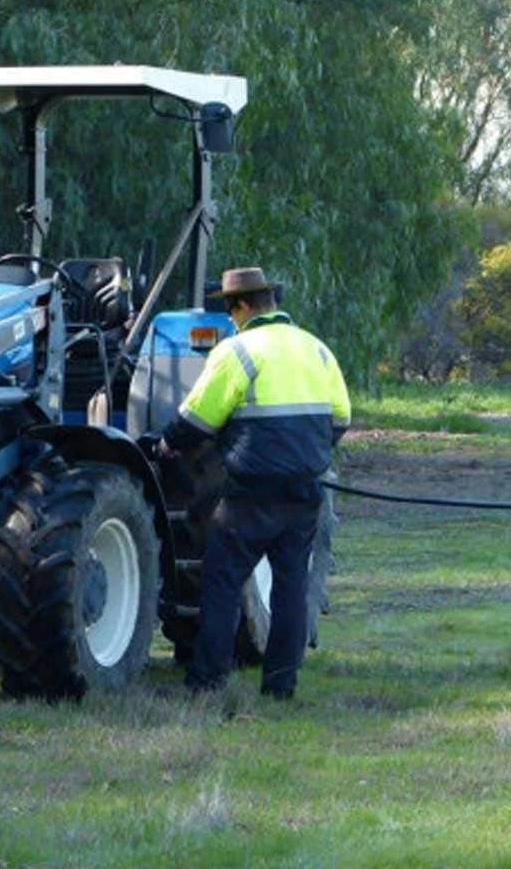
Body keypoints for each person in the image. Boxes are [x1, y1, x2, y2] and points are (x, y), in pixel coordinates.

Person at [158, 266, 350, 699]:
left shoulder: (237, 351)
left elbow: (199, 417)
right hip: (304, 491)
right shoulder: (316, 349)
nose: (231, 319)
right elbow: (340, 419)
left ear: (241, 307)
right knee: (290, 587)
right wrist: (304, 454)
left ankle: (208, 680)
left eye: (231, 311)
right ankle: (281, 686)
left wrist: (168, 444)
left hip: (250, 493)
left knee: (222, 583)